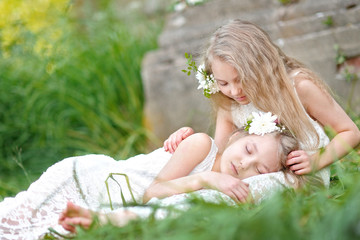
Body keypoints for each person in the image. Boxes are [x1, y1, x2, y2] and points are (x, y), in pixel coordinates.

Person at [0, 112, 300, 239]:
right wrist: (207, 179)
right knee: (14, 219)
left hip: (111, 196)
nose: (245, 165)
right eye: (249, 149)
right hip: (95, 179)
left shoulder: (226, 192)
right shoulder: (202, 144)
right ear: (235, 137)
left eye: (259, 170)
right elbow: (151, 193)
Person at [164, 19, 360, 193]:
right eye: (223, 83)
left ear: (261, 67)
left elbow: (350, 132)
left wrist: (316, 160)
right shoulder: (229, 105)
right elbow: (221, 158)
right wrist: (186, 140)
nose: (234, 91)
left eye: (241, 79)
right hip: (256, 176)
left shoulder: (298, 88)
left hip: (303, 177)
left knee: (278, 185)